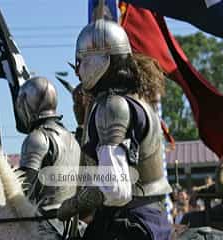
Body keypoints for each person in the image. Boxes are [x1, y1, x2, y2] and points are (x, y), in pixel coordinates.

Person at [57, 16, 172, 240]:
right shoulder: (135, 99)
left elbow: (116, 189)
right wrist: (83, 124)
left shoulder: (112, 107)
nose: (77, 71)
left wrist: (72, 205)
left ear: (101, 60)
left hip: (129, 224)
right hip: (149, 218)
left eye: (81, 61)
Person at [15, 76, 81, 239]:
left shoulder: (37, 138)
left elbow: (22, 192)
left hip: (44, 228)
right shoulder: (71, 138)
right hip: (72, 227)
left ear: (26, 103)